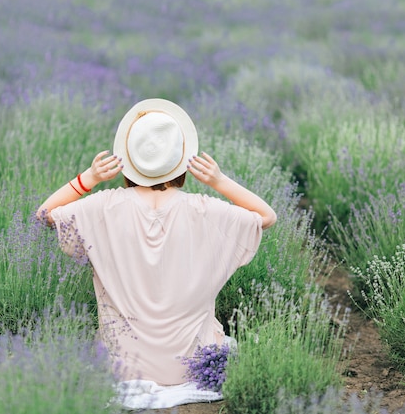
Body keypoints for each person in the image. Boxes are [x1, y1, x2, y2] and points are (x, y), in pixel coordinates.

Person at [37, 98, 277, 387]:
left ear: (129, 159)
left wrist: (89, 177)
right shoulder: (202, 208)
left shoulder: (104, 206)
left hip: (123, 367)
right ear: (180, 162)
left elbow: (43, 215)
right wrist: (219, 180)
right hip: (190, 366)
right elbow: (266, 216)